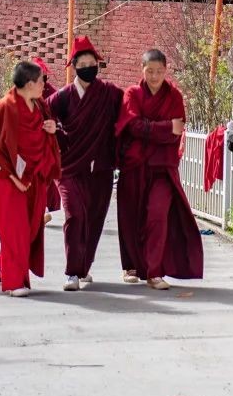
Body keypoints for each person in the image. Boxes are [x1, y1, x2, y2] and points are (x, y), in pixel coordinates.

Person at [115, 49, 203, 291]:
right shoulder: (132, 93)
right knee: (131, 216)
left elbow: (178, 129)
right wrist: (163, 129)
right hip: (135, 165)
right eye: (150, 71)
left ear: (166, 71)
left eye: (159, 71)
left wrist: (149, 129)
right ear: (141, 70)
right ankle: (131, 266)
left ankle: (154, 272)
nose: (154, 76)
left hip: (163, 167)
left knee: (157, 214)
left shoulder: (174, 95)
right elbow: (132, 126)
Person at [47, 36, 123, 292]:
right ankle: (72, 272)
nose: (89, 67)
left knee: (94, 219)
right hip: (69, 168)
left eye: (93, 63)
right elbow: (42, 113)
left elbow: (129, 114)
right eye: (83, 63)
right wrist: (54, 131)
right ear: (74, 66)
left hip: (100, 169)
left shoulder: (110, 94)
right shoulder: (63, 97)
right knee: (75, 215)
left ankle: (84, 266)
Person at [0, 60, 61, 297]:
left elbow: (45, 136)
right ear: (29, 83)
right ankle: (12, 282)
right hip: (9, 178)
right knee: (13, 230)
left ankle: (11, 269)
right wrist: (14, 177)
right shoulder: (5, 106)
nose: (44, 86)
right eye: (41, 81)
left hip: (34, 177)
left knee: (29, 230)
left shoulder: (39, 106)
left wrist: (51, 129)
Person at [32, 56, 61, 222]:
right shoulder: (24, 91)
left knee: (45, 178)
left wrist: (54, 127)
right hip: (30, 143)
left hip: (47, 143)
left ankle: (43, 212)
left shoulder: (52, 94)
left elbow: (60, 117)